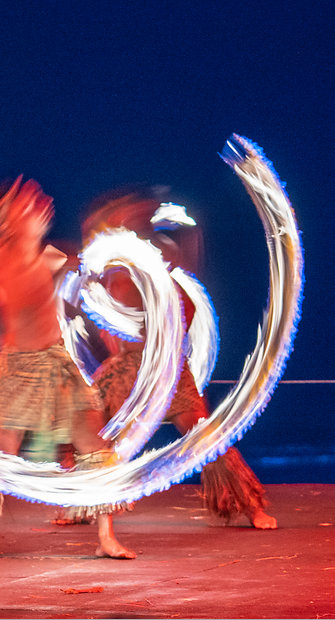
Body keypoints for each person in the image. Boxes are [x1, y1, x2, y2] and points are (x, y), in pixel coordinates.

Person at [0, 177, 137, 561]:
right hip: (18, 371)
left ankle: (106, 537)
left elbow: (87, 276)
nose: (42, 207)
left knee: (95, 447)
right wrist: (10, 352)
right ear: (6, 223)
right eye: (28, 205)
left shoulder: (52, 256)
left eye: (39, 202)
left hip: (59, 365)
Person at [76, 186, 277, 530]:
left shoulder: (158, 259)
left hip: (165, 371)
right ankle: (80, 506)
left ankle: (249, 504)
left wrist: (164, 343)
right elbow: (103, 313)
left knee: (206, 439)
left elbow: (186, 308)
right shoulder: (108, 264)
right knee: (89, 435)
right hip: (125, 370)